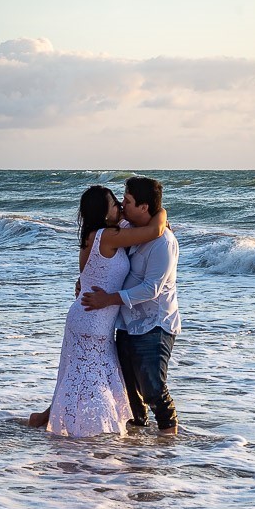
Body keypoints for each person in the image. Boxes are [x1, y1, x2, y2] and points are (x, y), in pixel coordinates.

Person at [28, 185, 167, 437]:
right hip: (92, 321)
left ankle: (50, 421)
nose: (120, 207)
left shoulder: (96, 235)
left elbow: (89, 275)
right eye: (115, 204)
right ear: (103, 213)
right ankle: (91, 438)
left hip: (88, 317)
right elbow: (154, 230)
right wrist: (162, 210)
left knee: (78, 376)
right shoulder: (107, 236)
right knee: (91, 381)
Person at [81, 176, 181, 436]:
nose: (122, 206)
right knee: (128, 392)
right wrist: (85, 279)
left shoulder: (164, 243)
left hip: (153, 324)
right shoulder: (127, 226)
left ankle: (168, 447)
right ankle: (136, 452)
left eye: (127, 201)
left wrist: (109, 298)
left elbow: (151, 289)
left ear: (144, 207)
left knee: (153, 389)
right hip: (126, 322)